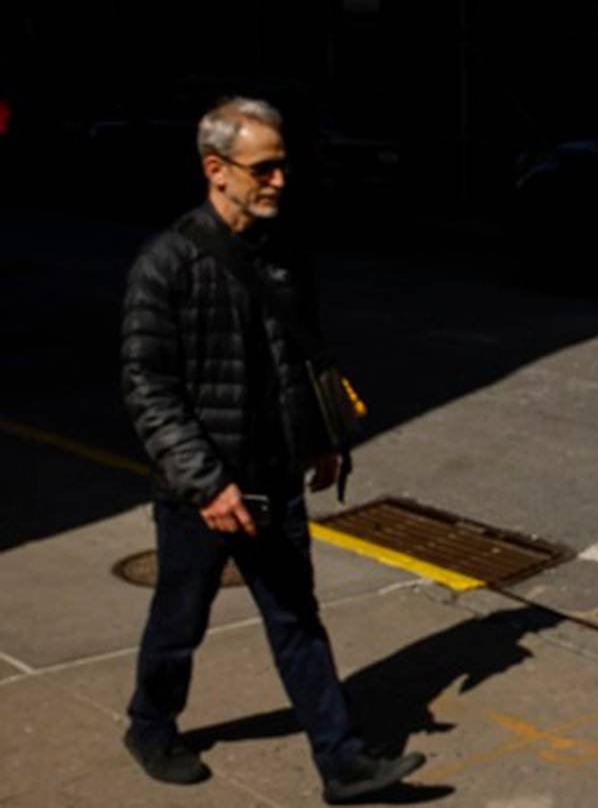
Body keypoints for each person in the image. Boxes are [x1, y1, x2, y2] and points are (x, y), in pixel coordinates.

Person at [119, 97, 423, 803]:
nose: (281, 181)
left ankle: (341, 762)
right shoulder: (166, 264)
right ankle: (150, 724)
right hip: (205, 493)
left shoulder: (283, 254)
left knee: (297, 622)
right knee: (179, 622)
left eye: (285, 165)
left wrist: (322, 441)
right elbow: (147, 387)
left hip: (275, 478)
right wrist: (204, 483)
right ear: (216, 169)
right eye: (266, 168)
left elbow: (304, 358)